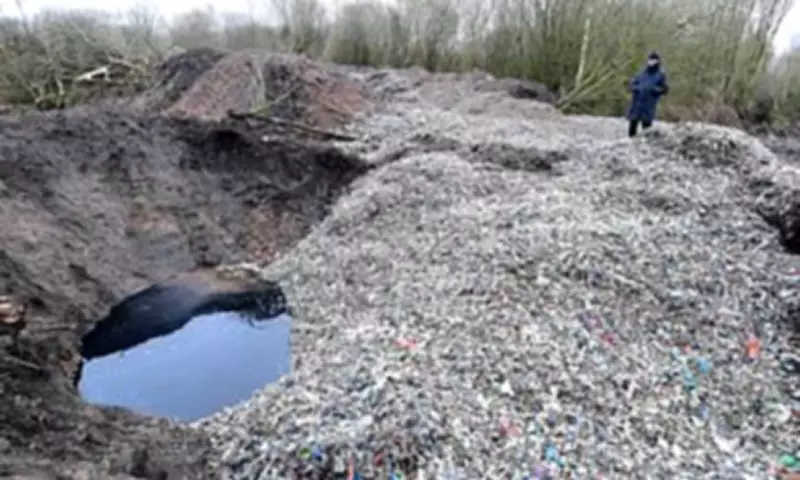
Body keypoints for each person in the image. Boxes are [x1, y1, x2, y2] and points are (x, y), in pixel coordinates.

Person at [627, 51, 669, 137]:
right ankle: (630, 143)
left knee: (646, 128)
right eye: (650, 60)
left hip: (649, 104)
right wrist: (636, 89)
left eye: (653, 60)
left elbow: (665, 90)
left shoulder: (660, 75)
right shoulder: (641, 72)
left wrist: (654, 90)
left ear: (658, 61)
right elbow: (631, 85)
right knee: (632, 125)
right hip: (637, 103)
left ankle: (646, 145)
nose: (651, 62)